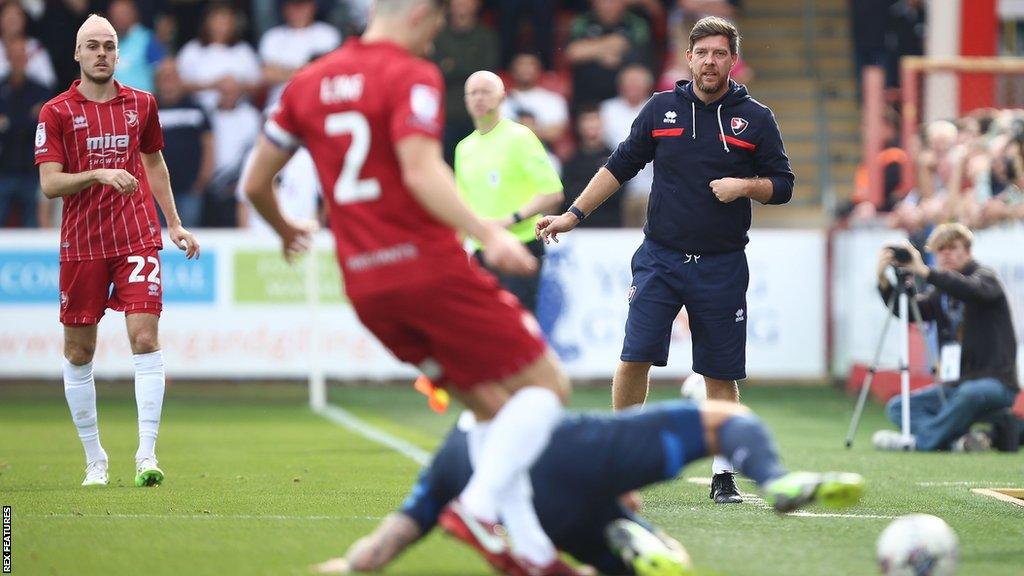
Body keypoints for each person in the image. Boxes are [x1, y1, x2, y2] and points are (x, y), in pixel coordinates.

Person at [240, 2, 579, 574]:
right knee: (548, 385)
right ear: (421, 12)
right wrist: (487, 236)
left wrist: (287, 228)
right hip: (430, 271)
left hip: (368, 289)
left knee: (491, 410)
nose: (435, 41)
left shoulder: (308, 82)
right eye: (436, 27)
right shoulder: (408, 74)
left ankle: (536, 558)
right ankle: (475, 508)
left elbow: (254, 183)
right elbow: (421, 170)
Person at [536, 16, 794, 505]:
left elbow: (783, 185)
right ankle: (619, 460)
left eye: (721, 53)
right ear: (688, 57)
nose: (711, 61)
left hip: (721, 263)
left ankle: (724, 473)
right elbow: (619, 165)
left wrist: (745, 186)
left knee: (720, 374)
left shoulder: (756, 117)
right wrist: (573, 214)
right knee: (635, 358)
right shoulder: (661, 109)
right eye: (703, 53)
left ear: (732, 60)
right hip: (660, 257)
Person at [312, 399, 865, 575]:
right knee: (727, 421)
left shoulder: (445, 460)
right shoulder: (548, 412)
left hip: (525, 508)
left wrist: (347, 565)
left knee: (595, 539)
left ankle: (625, 536)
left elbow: (391, 540)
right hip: (572, 453)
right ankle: (775, 478)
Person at [34, 15, 200, 487]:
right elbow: (49, 184)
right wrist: (99, 173)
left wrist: (175, 223)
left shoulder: (142, 104)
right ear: (77, 54)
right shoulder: (56, 112)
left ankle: (146, 455)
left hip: (136, 236)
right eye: (93, 46)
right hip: (82, 243)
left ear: (118, 54)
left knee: (145, 338)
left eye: (109, 45)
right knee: (79, 351)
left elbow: (154, 162)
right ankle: (95, 459)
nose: (102, 53)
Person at [872, 223, 1020, 452]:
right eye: (940, 250)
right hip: (956, 384)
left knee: (969, 393)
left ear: (968, 251)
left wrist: (925, 272)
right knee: (897, 407)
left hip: (995, 383)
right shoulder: (941, 292)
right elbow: (911, 311)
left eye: (952, 247)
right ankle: (956, 442)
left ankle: (921, 443)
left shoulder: (986, 277)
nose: (946, 254)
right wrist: (884, 282)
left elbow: (970, 289)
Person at [457, 70, 564, 314]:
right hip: (483, 250)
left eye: (486, 92)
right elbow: (464, 204)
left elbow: (553, 192)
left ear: (502, 98)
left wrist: (509, 219)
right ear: (465, 101)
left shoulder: (520, 137)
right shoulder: (464, 148)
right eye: (473, 93)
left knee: (518, 323)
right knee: (484, 326)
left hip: (521, 244)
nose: (479, 98)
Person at [430, 0, 498, 164]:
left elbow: (487, 73)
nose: (462, 4)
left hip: (477, 114)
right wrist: (469, 67)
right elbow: (433, 72)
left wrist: (451, 66)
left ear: (477, 4)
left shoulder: (486, 36)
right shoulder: (437, 35)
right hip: (444, 114)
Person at [0, 36, 51, 227]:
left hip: (33, 169)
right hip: (3, 168)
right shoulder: (1, 88)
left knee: (34, 225)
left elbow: (44, 128)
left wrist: (8, 123)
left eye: (21, 55)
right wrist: (29, 119)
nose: (18, 60)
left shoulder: (41, 90)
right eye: (14, 55)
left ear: (27, 58)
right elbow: (31, 124)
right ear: (7, 57)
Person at [258, 0, 341, 110]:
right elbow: (267, 74)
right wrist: (309, 69)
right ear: (285, 8)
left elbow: (331, 71)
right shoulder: (272, 37)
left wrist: (284, 71)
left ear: (312, 7)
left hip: (317, 105)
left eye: (302, 6)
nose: (298, 11)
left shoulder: (328, 34)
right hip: (279, 105)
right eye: (293, 6)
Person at [561, 105, 620, 228]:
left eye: (594, 120)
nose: (591, 125)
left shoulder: (615, 156)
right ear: (579, 126)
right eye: (587, 120)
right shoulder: (572, 160)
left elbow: (619, 192)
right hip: (579, 225)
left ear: (602, 123)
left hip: (610, 225)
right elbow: (567, 194)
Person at [108, 0, 166, 93]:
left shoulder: (146, 39)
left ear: (134, 14)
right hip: (112, 103)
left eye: (123, 13)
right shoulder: (105, 42)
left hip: (140, 102)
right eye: (116, 13)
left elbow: (162, 72)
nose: (119, 17)